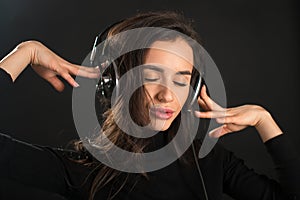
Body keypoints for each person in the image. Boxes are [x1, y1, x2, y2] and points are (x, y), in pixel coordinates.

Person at [0, 11, 299, 200]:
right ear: (115, 83)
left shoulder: (209, 160)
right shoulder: (81, 171)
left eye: (181, 80)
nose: (167, 96)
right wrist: (26, 52)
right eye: (151, 77)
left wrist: (264, 120)